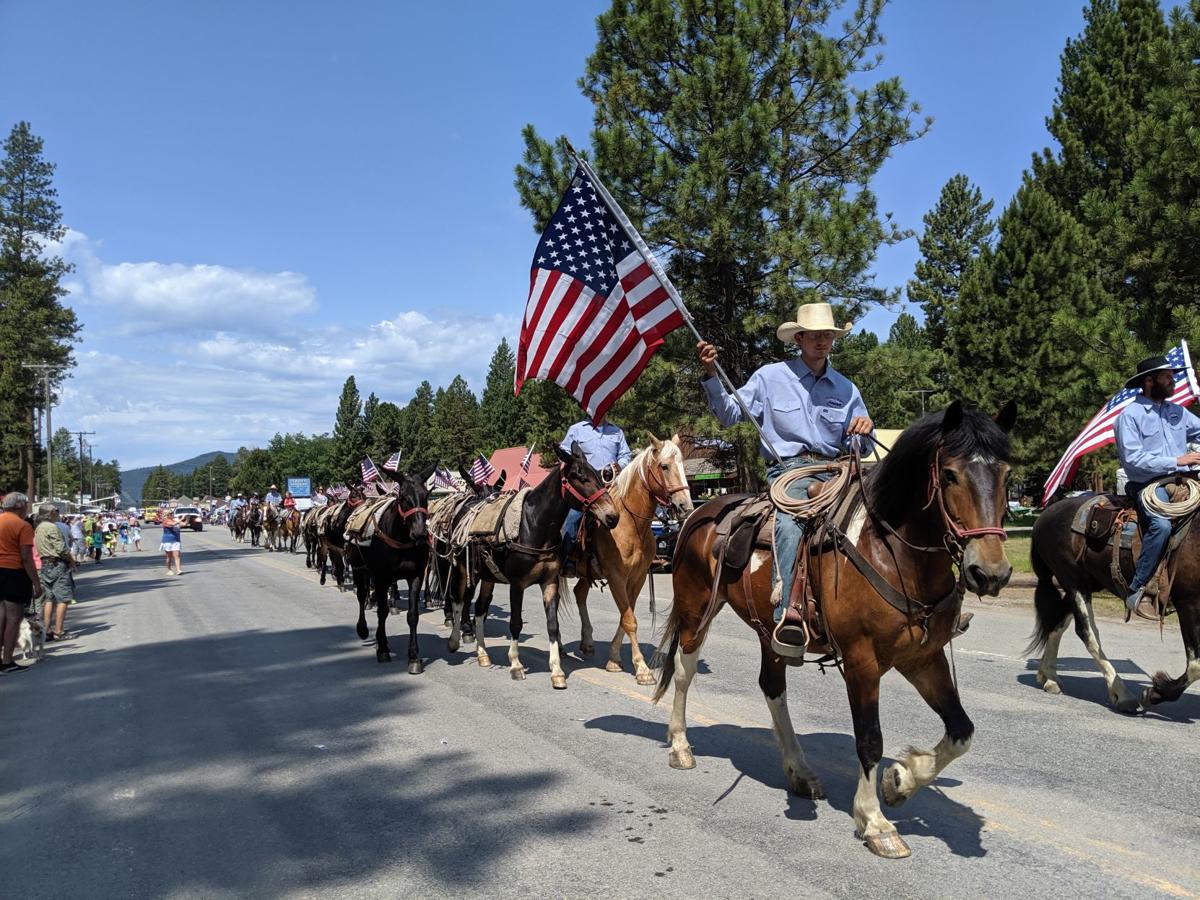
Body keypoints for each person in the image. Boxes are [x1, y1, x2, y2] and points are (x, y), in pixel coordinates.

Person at [696, 301, 874, 654]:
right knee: (793, 519)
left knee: (879, 511)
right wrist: (712, 375)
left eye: (828, 335)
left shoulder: (846, 388)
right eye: (814, 335)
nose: (821, 341)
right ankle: (787, 610)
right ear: (800, 338)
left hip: (837, 469)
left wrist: (864, 430)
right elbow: (730, 414)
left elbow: (861, 444)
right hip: (789, 470)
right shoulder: (770, 377)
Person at [1114, 355, 1200, 620]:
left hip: (1183, 481)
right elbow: (1133, 458)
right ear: (1149, 381)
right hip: (1148, 484)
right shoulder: (1130, 416)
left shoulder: (1177, 411)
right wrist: (1177, 460)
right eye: (1167, 377)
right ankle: (1140, 587)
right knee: (1161, 525)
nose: (1173, 380)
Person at [559, 414, 633, 575]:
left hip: (612, 486)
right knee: (571, 521)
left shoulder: (616, 432)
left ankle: (642, 553)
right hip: (586, 489)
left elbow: (626, 455)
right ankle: (567, 560)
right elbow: (564, 454)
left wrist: (620, 465)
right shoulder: (576, 430)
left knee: (633, 515)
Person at [0, 493, 41, 673]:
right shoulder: (23, 526)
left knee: (0, 617)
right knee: (14, 619)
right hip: (13, 572)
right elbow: (26, 557)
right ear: (18, 506)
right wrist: (36, 583)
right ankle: (7, 661)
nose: (27, 507)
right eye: (25, 504)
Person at [33, 504, 77, 642]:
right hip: (57, 563)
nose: (57, 513)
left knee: (49, 599)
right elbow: (61, 548)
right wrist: (71, 561)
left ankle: (46, 630)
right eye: (55, 511)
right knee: (64, 598)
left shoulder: (39, 528)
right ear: (50, 513)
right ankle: (59, 631)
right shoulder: (52, 527)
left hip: (45, 564)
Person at [160, 510, 183, 575]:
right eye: (170, 513)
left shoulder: (174, 520)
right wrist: (181, 519)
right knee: (169, 557)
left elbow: (183, 524)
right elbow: (172, 524)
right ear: (167, 515)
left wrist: (187, 518)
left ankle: (178, 570)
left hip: (175, 540)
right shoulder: (165, 521)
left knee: (177, 555)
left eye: (172, 513)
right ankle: (169, 569)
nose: (172, 514)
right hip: (167, 541)